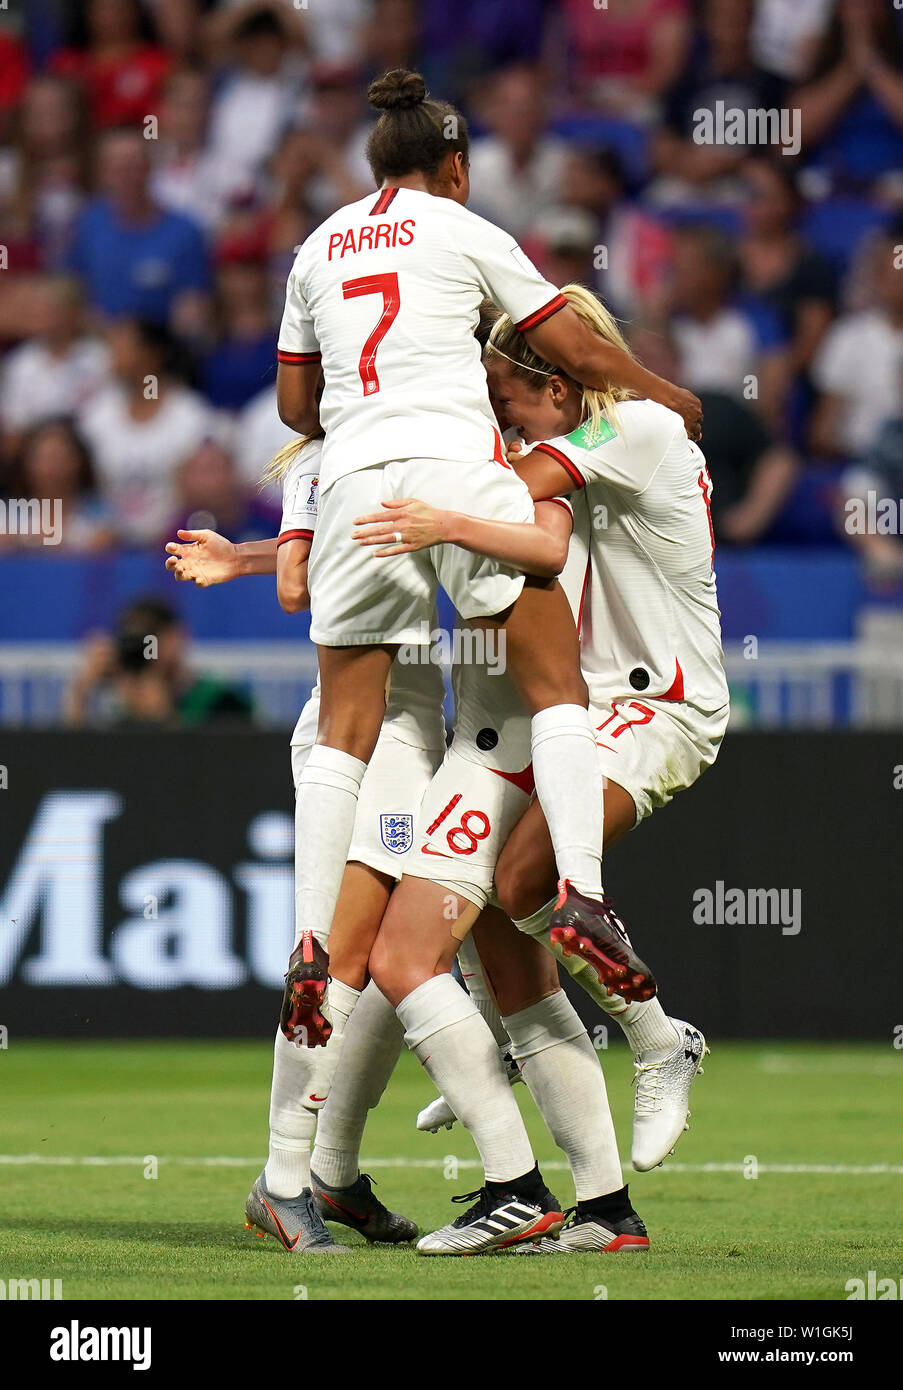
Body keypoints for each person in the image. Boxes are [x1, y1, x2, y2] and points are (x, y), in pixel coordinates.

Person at [275, 67, 703, 1049]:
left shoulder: (316, 247)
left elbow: (298, 414)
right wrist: (660, 393)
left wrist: (359, 404)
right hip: (456, 470)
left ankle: (306, 939)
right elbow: (576, 351)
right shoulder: (466, 231)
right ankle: (584, 895)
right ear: (457, 168)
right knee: (554, 689)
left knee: (342, 733)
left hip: (355, 485)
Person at [355, 284, 724, 1198]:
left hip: (662, 702)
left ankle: (656, 1038)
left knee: (526, 882)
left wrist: (422, 492)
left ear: (559, 387)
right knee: (490, 897)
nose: (496, 412)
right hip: (586, 710)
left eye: (504, 395)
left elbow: (516, 507)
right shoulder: (596, 434)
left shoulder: (635, 432)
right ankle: (526, 1063)